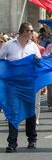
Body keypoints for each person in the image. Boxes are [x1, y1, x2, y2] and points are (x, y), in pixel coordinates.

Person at [0, 23, 41, 152]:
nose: (32, 32)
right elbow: (1, 59)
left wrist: (36, 60)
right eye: (30, 30)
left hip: (28, 83)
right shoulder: (9, 45)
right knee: (13, 111)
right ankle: (12, 143)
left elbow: (40, 61)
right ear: (23, 31)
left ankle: (32, 139)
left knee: (30, 112)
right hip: (13, 84)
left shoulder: (33, 46)